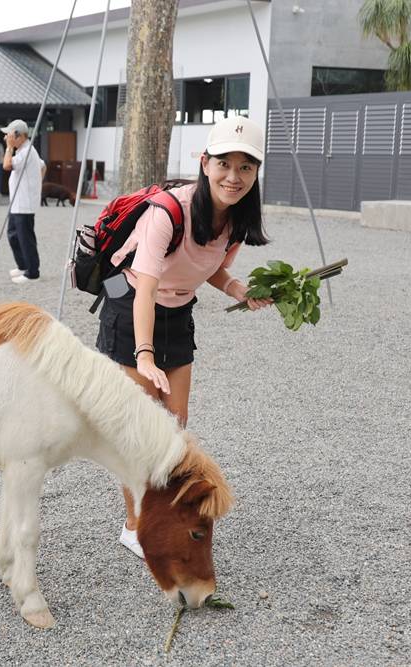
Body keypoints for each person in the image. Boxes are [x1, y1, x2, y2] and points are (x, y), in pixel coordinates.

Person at [94, 116, 273, 559]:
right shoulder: (167, 212)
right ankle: (135, 526)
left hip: (179, 314)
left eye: (246, 167)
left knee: (175, 422)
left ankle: (160, 510)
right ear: (205, 162)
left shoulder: (236, 219)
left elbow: (210, 266)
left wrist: (237, 289)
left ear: (256, 173)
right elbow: (147, 288)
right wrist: (145, 355)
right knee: (138, 429)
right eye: (224, 164)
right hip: (133, 308)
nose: (234, 176)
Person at [1, 119, 45, 284]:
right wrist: (36, 183)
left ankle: (32, 272)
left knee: (25, 238)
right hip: (18, 202)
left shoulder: (26, 151)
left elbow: (6, 165)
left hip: (24, 204)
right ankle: (23, 266)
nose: (6, 138)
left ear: (19, 136)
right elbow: (42, 166)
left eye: (9, 135)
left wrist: (9, 148)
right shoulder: (25, 151)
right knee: (13, 235)